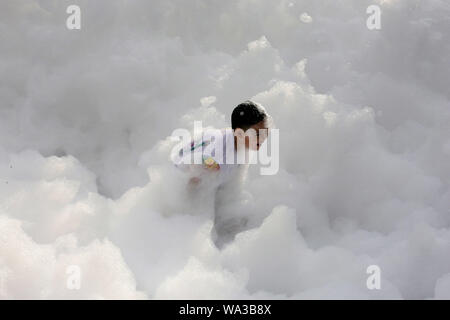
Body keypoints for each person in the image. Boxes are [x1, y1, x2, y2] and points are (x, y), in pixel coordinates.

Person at [173, 100, 272, 247]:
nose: (263, 138)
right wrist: (192, 214)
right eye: (257, 134)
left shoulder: (240, 144)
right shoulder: (216, 158)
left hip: (215, 176)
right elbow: (193, 183)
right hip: (186, 177)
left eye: (265, 132)